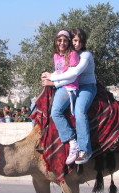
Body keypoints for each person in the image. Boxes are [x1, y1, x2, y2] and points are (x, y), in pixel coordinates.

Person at [41, 28, 97, 165]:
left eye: (79, 41)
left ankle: (84, 149)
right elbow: (62, 70)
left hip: (86, 87)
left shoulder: (85, 55)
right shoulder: (68, 54)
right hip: (69, 85)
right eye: (74, 40)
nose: (76, 43)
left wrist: (53, 80)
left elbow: (74, 73)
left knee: (79, 111)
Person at [42, 29, 80, 165]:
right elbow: (59, 72)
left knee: (55, 112)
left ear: (68, 42)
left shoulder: (73, 55)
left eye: (65, 40)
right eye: (60, 40)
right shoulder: (56, 56)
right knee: (36, 106)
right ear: (56, 42)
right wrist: (47, 75)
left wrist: (52, 81)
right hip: (59, 86)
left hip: (69, 88)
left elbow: (71, 76)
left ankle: (72, 141)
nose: (62, 43)